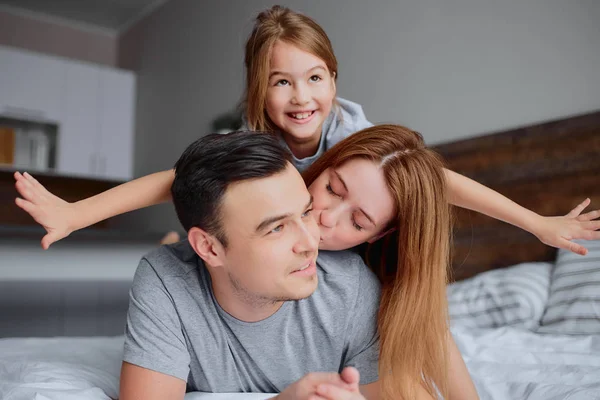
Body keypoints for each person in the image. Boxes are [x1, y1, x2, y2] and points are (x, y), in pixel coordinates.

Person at [13, 6, 599, 256]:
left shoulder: (351, 133)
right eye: (281, 83)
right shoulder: (252, 143)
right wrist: (76, 214)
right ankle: (179, 253)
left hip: (330, 252)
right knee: (196, 239)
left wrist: (535, 223)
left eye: (315, 77)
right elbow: (168, 181)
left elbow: (441, 181)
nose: (302, 97)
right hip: (263, 238)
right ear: (258, 93)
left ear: (334, 80)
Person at [120, 131, 380, 400]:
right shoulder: (165, 278)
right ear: (209, 247)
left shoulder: (352, 288)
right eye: (277, 228)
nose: (309, 243)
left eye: (305, 213)